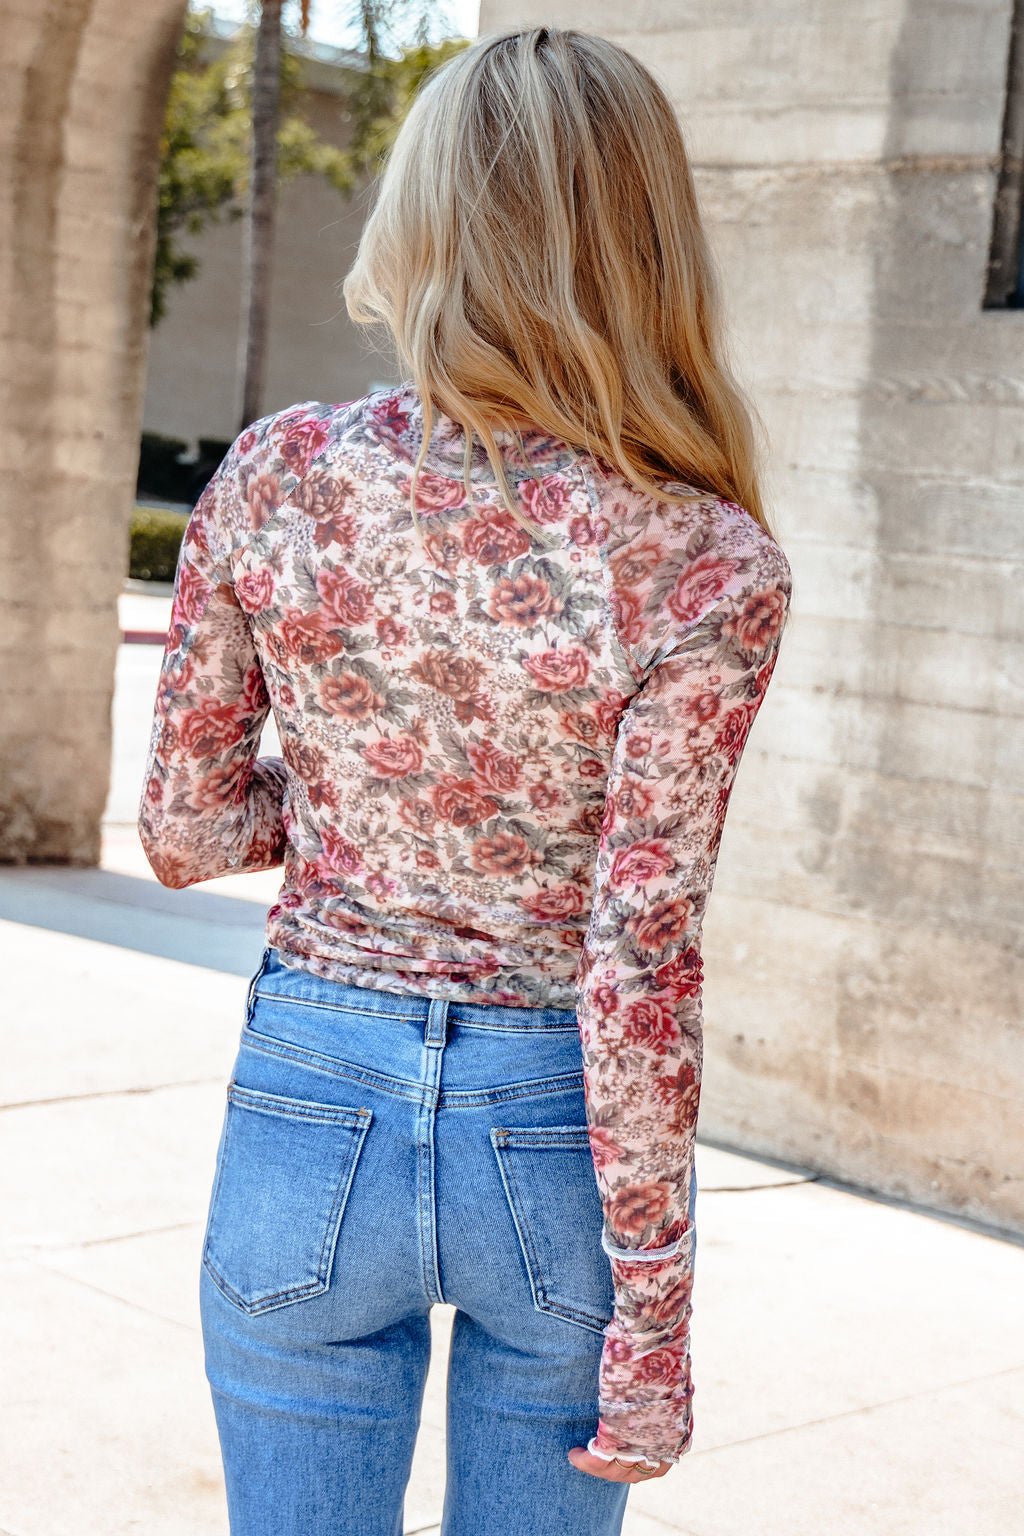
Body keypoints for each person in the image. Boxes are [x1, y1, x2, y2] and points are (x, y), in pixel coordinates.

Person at [138, 23, 792, 1536]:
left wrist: (356, 808)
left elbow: (179, 831)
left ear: (424, 220)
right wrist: (657, 1322)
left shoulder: (277, 472)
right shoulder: (709, 562)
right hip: (552, 1123)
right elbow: (640, 963)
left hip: (310, 1099)